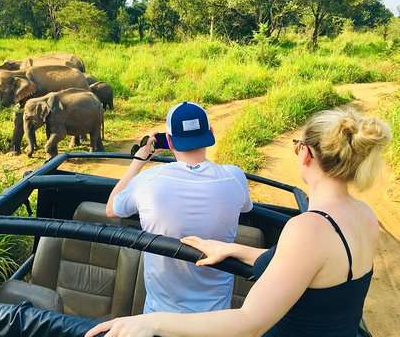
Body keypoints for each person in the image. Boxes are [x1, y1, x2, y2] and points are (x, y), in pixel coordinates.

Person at [86, 108, 391, 337]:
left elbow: (249, 323)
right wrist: (233, 249)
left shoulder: (308, 228)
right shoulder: (363, 215)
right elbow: (315, 271)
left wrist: (149, 321)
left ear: (307, 155)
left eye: (297, 145)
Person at [106, 101, 253, 314]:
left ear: (169, 141)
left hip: (160, 318)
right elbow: (246, 208)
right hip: (216, 319)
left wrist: (138, 161)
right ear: (210, 134)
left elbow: (111, 209)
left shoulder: (148, 180)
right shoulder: (235, 176)